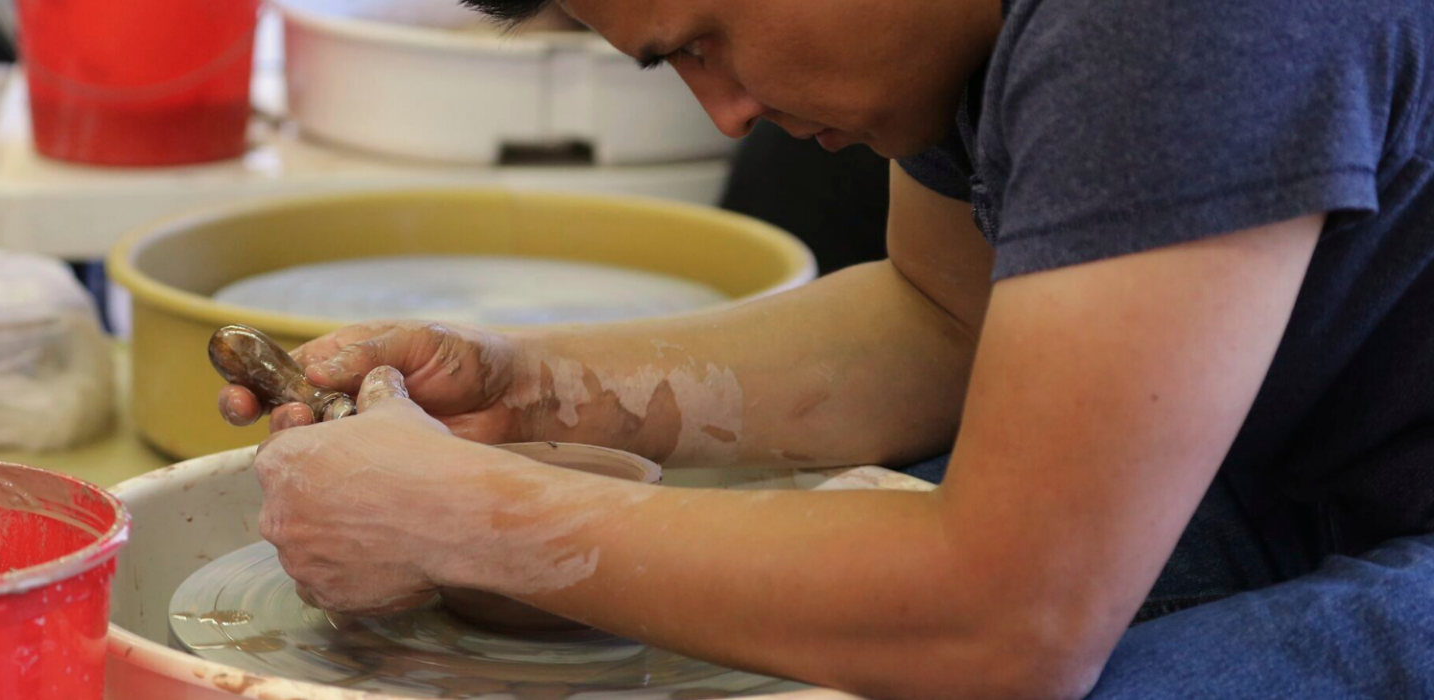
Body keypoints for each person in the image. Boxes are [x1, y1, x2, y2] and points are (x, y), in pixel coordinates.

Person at [218, 0, 1434, 697]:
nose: (727, 110)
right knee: (827, 595)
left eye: (703, 38)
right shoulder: (969, 35)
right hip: (1317, 467)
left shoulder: (1172, 28)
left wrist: (467, 521)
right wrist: (528, 386)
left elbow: (1010, 625)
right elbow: (942, 322)